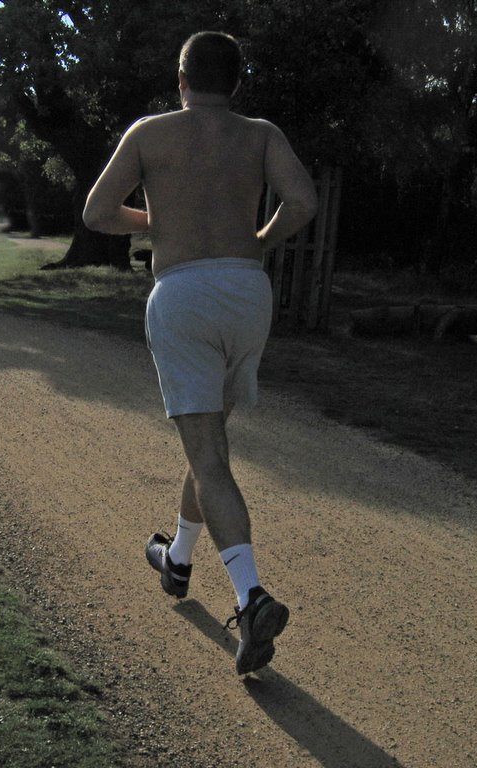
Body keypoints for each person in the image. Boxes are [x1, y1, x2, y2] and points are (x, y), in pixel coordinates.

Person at [83, 31, 318, 675]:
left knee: (208, 454)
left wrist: (157, 221)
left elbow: (98, 211)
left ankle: (251, 597)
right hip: (248, 292)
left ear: (180, 79)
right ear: (237, 83)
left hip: (184, 292)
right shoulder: (261, 133)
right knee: (208, 444)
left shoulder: (149, 133)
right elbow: (303, 201)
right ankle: (178, 558)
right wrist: (261, 238)